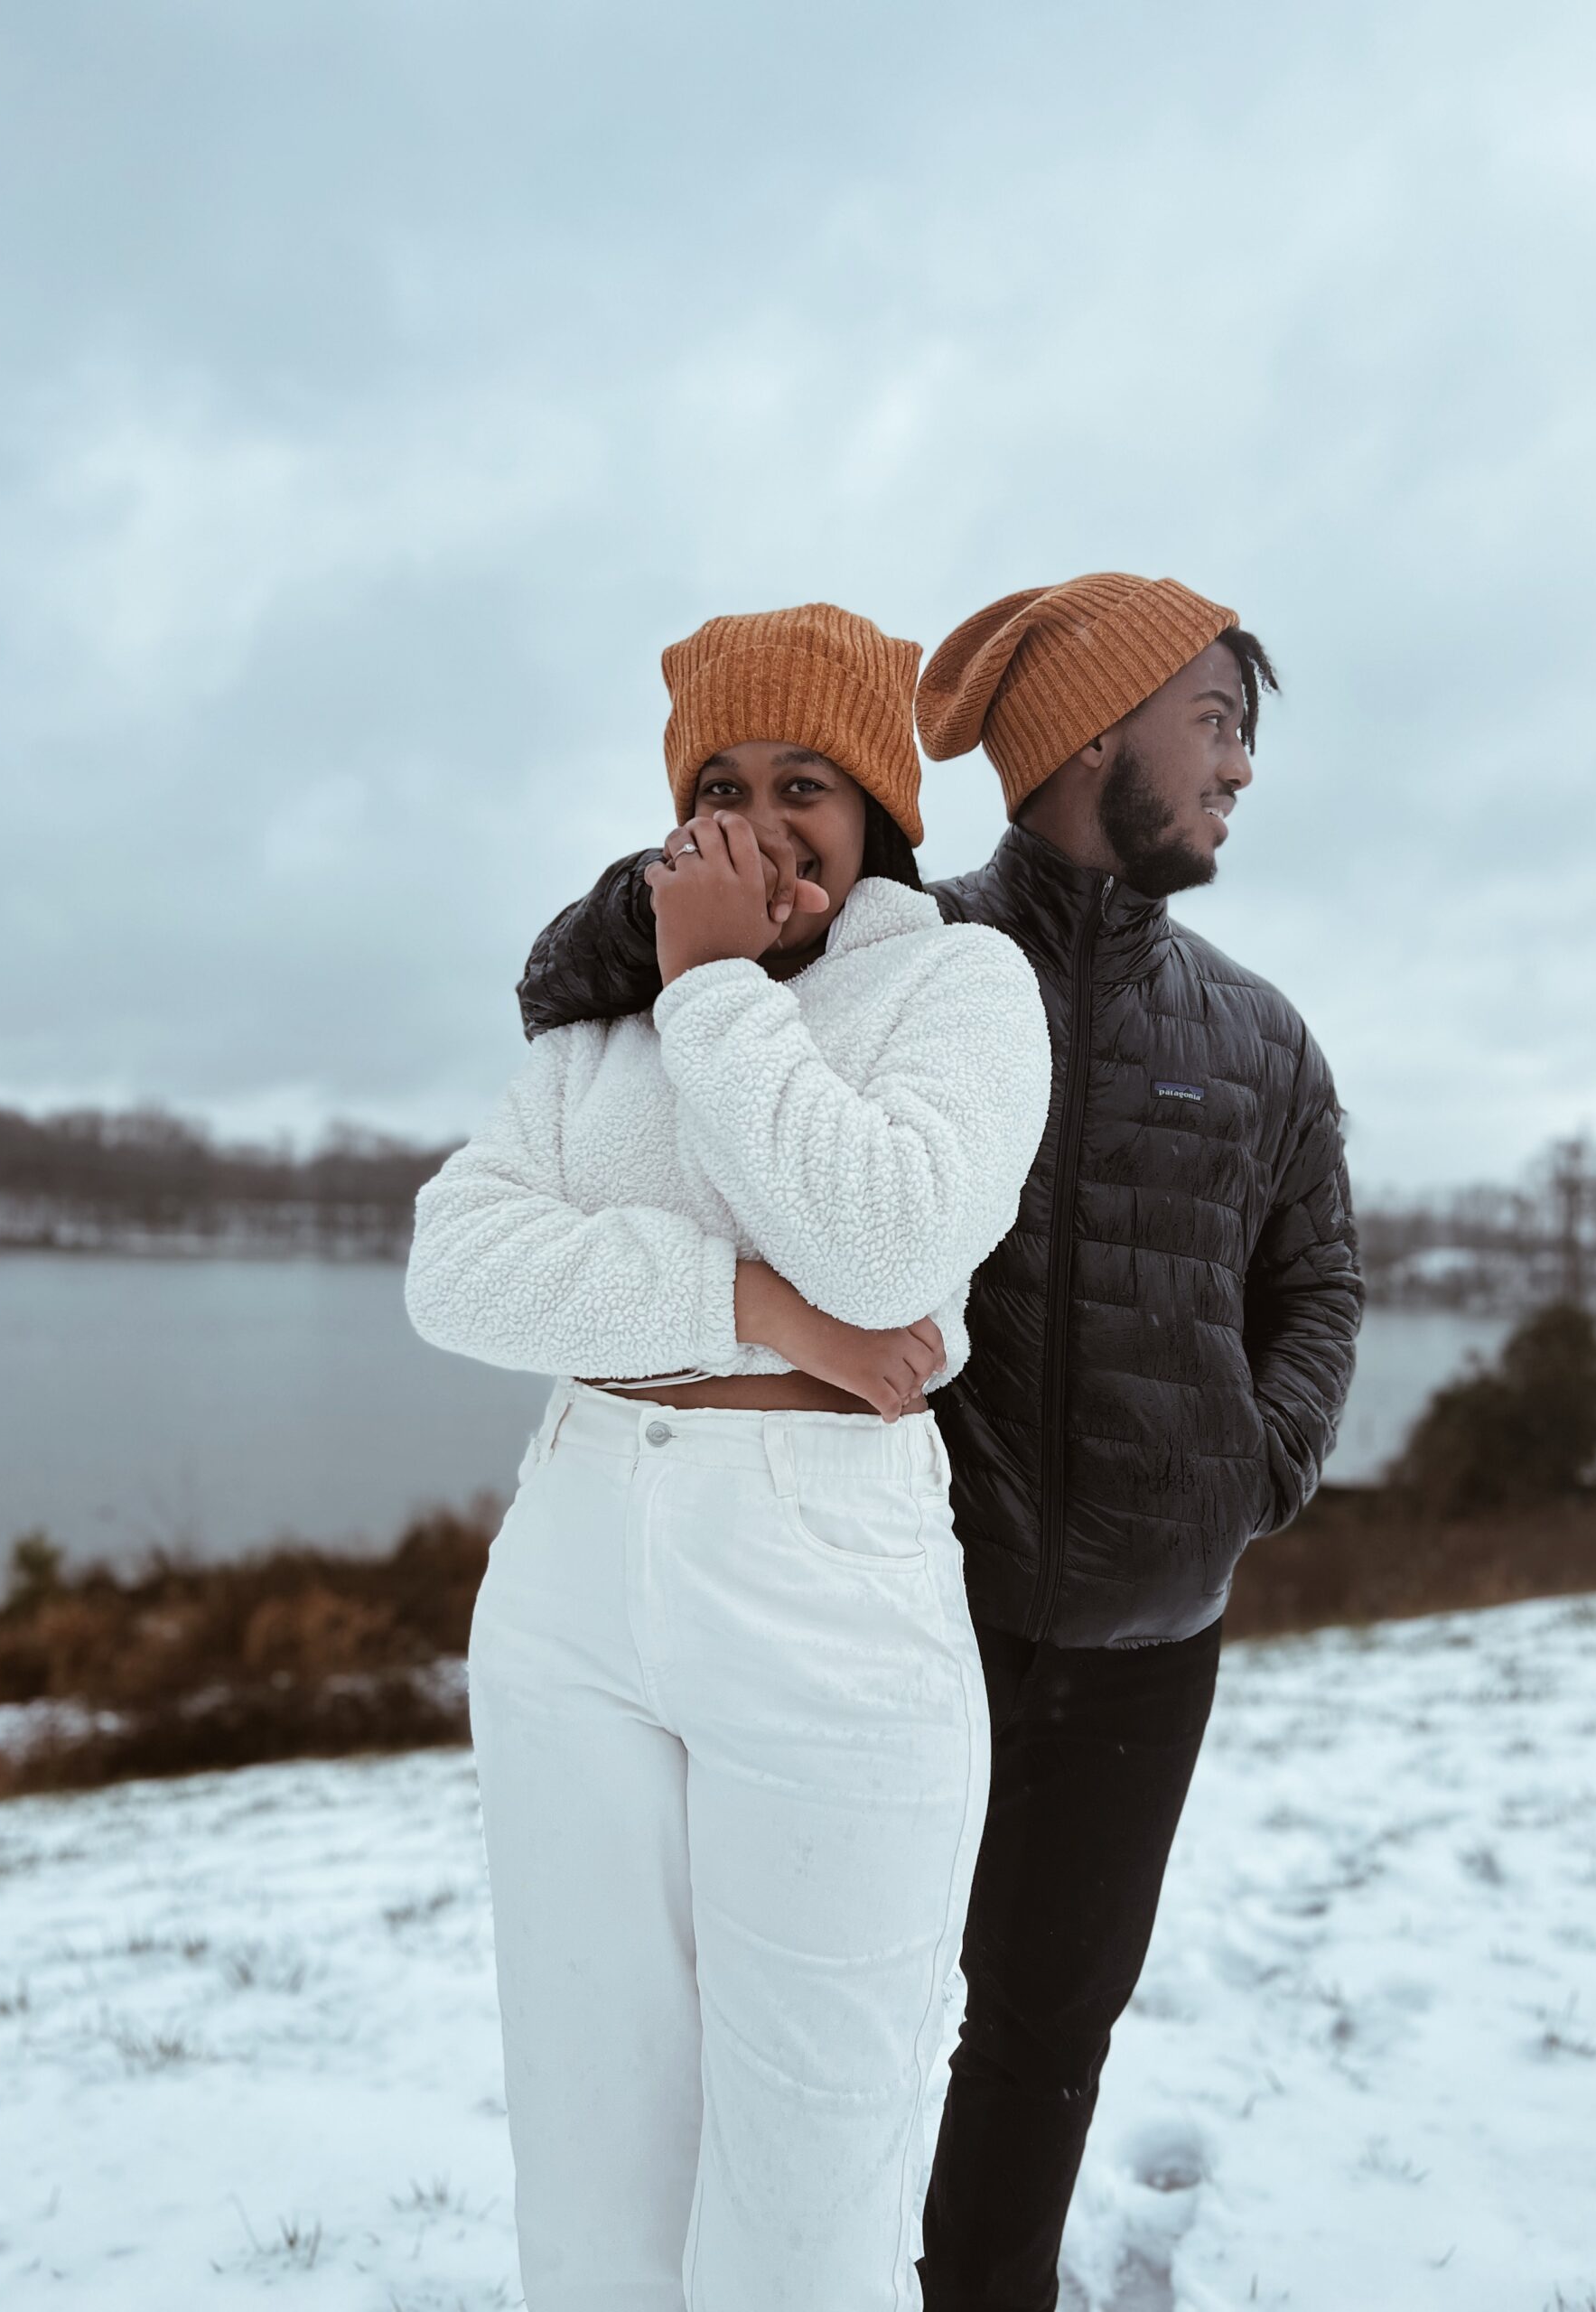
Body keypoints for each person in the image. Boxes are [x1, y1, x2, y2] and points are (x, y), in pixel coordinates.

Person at [514, 572, 1365, 2310]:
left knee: (1049, 2031)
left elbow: (1320, 1278)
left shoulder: (1260, 1035)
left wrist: (1246, 1469)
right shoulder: (891, 949)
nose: (1242, 771)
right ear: (1094, 734)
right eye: (1216, 725)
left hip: (1144, 1635)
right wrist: (699, 888)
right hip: (907, 1599)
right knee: (841, 2024)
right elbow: (576, 969)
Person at [405, 601, 1051, 2312]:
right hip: (573, 1578)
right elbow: (456, 1267)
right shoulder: (591, 1035)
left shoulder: (961, 990)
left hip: (826, 1602)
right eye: (721, 784)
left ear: (883, 810)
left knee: (806, 2212)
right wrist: (757, 1302)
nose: (764, 823)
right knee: (594, 2182)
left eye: (809, 783)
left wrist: (709, 986)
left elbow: (892, 1249)